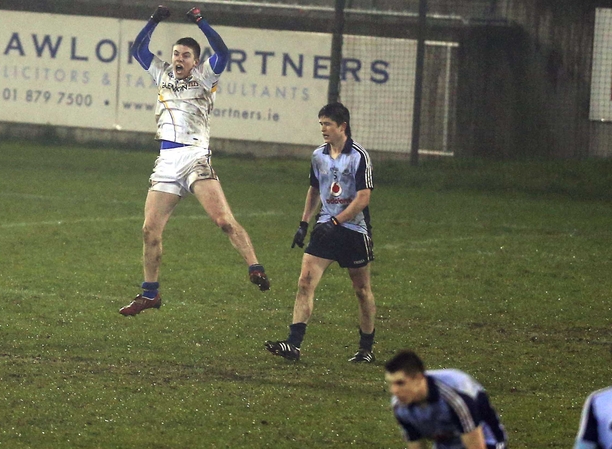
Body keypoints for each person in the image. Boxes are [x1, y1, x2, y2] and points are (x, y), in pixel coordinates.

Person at [119, 5, 270, 316]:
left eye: (186, 55)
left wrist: (201, 22)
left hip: (194, 157)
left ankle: (254, 266)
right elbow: (138, 49)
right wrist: (154, 19)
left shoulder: (205, 75)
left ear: (196, 61)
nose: (179, 59)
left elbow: (223, 52)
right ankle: (150, 293)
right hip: (167, 161)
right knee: (150, 229)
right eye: (176, 54)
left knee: (223, 221)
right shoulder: (161, 73)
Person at [264, 102, 375, 362]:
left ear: (342, 126)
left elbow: (363, 198)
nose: (323, 129)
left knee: (361, 290)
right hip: (325, 228)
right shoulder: (318, 156)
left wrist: (336, 222)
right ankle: (293, 345)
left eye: (328, 124)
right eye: (321, 124)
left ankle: (366, 349)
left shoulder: (359, 156)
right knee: (305, 282)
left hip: (353, 230)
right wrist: (304, 223)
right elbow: (314, 189)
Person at [384, 350, 508, 449]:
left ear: (418, 379)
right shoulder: (399, 407)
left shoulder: (454, 396)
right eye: (391, 383)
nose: (393, 390)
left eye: (400, 383)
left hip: (486, 439)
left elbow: (476, 446)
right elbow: (416, 445)